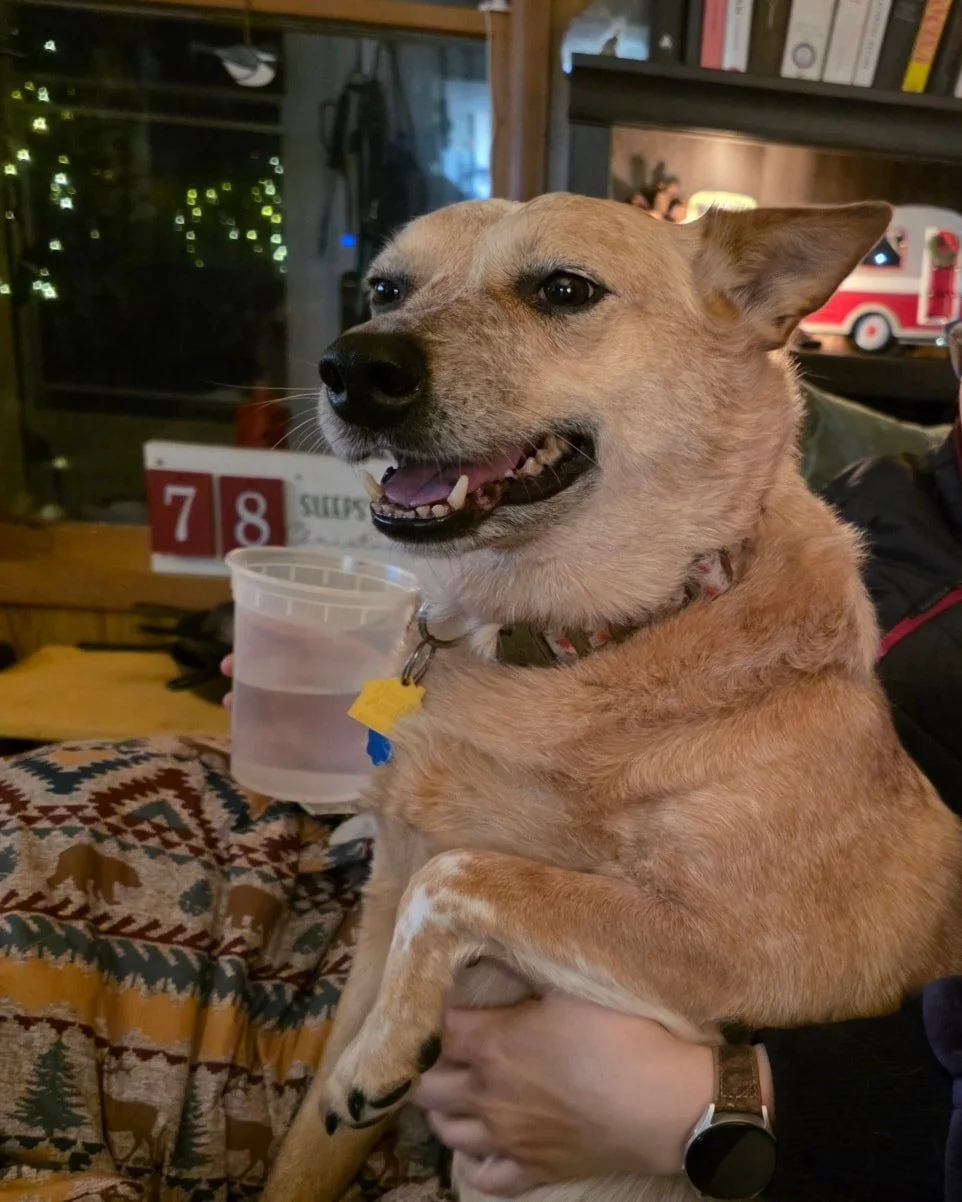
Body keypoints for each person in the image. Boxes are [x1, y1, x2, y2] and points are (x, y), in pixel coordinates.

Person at [415, 329, 962, 1202]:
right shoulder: (883, 489)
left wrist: (725, 1103)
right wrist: (391, 700)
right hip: (528, 924)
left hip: (752, 1099)